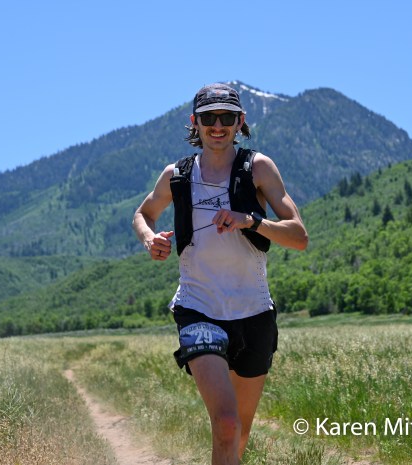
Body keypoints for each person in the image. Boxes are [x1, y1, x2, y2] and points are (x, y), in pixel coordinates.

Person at [132, 83, 308, 465]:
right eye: (208, 118)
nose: (217, 126)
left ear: (239, 121)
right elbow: (143, 214)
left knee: (239, 435)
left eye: (226, 117)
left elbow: (299, 236)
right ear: (194, 122)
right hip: (198, 308)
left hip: (254, 313)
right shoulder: (177, 175)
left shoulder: (258, 168)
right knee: (226, 424)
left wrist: (251, 221)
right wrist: (149, 239)